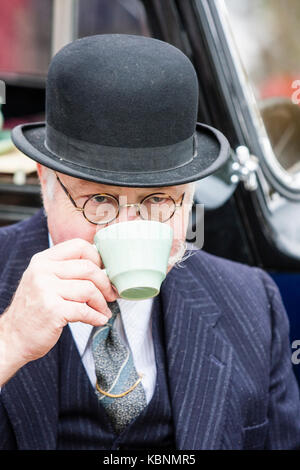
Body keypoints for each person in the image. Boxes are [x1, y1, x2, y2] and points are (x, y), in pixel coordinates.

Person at [0, 34, 299, 450]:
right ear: (45, 179)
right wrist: (9, 340)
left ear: (190, 193)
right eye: (100, 200)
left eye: (158, 201)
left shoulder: (251, 304)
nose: (126, 226)